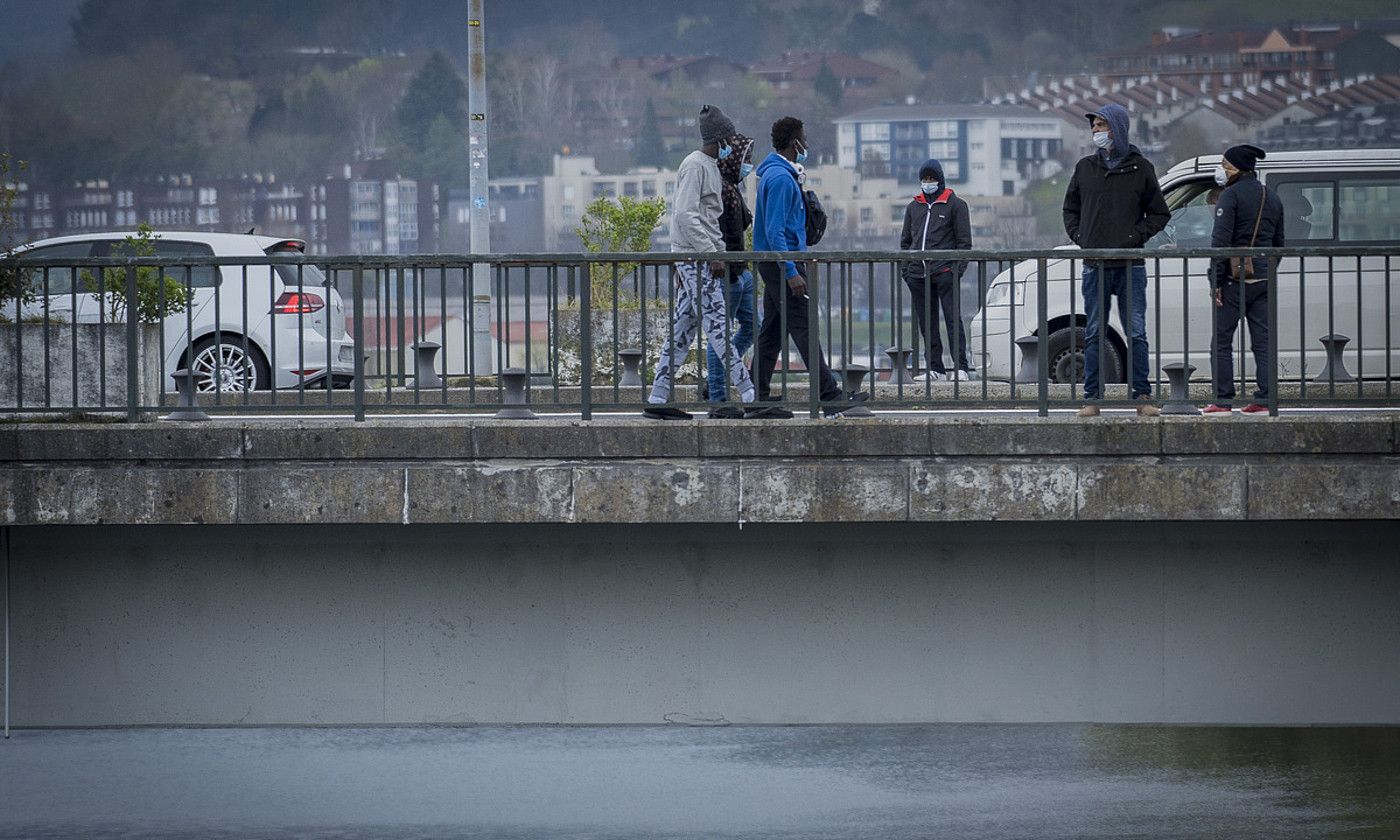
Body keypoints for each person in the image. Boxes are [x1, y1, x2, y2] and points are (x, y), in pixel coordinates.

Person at [643, 104, 757, 421]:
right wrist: (711, 253)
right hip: (699, 261)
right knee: (719, 328)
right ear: (719, 138)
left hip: (695, 259)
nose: (732, 145)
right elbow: (685, 215)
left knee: (681, 334)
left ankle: (658, 397)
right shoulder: (696, 166)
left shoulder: (707, 165)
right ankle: (750, 394)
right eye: (730, 139)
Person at [751, 116, 867, 418]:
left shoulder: (780, 175)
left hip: (777, 263)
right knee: (804, 328)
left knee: (773, 332)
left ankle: (757, 397)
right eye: (804, 138)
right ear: (795, 143)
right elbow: (776, 232)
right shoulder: (779, 179)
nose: (807, 144)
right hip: (782, 264)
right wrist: (791, 272)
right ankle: (829, 397)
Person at [1063, 103, 1171, 417]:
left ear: (1118, 129)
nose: (1096, 132)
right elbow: (1070, 209)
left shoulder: (1141, 168)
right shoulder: (1085, 167)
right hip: (1095, 263)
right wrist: (1081, 237)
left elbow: (1160, 213)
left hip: (1130, 264)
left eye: (1102, 126)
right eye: (1094, 127)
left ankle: (1142, 397)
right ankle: (1092, 398)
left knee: (1136, 331)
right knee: (1094, 331)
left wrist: (1134, 237)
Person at [1204, 144, 1284, 415]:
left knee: (1222, 341)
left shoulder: (1230, 196)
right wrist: (1266, 271)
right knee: (1262, 342)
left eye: (1225, 165)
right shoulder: (1271, 197)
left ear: (1237, 167)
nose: (1222, 169)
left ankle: (1223, 401)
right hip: (1263, 279)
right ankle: (1264, 399)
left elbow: (1220, 243)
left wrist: (1215, 281)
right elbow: (1279, 243)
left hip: (1232, 281)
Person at [899, 158, 973, 381]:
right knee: (927, 323)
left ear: (940, 180)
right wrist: (907, 270)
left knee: (953, 319)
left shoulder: (956, 205)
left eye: (931, 178)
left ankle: (961, 367)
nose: (927, 182)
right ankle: (935, 368)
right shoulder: (913, 207)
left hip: (944, 273)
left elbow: (964, 243)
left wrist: (955, 271)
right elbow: (905, 241)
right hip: (918, 275)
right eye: (924, 179)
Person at [702, 132, 758, 408]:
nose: (749, 163)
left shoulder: (733, 187)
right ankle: (718, 395)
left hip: (741, 269)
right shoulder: (720, 188)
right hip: (727, 271)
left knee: (752, 326)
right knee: (719, 335)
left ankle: (718, 376)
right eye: (746, 158)